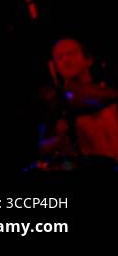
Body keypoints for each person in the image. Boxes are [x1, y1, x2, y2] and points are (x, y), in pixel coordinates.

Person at [36, 37, 118, 165]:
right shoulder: (54, 99)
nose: (66, 60)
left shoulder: (106, 92)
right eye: (59, 57)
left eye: (71, 54)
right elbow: (41, 146)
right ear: (54, 67)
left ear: (89, 60)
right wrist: (57, 141)